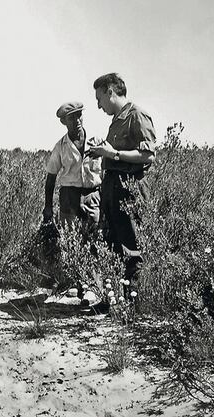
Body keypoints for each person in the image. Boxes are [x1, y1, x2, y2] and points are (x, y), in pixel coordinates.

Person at [88, 73, 156, 299]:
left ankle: (131, 303)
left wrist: (113, 154)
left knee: (131, 246)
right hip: (112, 189)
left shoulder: (137, 115)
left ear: (110, 91)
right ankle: (114, 301)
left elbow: (148, 155)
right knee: (113, 245)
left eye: (99, 99)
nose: (98, 105)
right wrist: (102, 151)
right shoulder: (117, 120)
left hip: (129, 190)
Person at [43, 101, 103, 233]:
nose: (77, 120)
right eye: (72, 117)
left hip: (92, 196)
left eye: (79, 115)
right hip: (69, 198)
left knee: (95, 239)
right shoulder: (60, 147)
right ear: (63, 122)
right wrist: (48, 207)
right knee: (69, 240)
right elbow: (51, 178)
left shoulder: (96, 141)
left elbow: (107, 170)